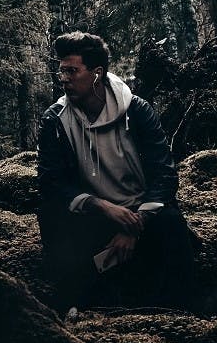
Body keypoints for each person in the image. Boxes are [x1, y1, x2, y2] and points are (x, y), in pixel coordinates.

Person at [37, 32, 195, 314]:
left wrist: (135, 224)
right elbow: (52, 183)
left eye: (72, 71)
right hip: (94, 216)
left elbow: (164, 174)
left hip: (142, 213)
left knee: (171, 225)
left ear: (96, 74)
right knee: (51, 216)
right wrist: (101, 206)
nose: (64, 79)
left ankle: (177, 313)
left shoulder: (137, 111)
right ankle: (74, 303)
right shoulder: (55, 120)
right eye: (62, 71)